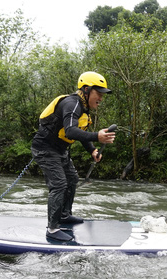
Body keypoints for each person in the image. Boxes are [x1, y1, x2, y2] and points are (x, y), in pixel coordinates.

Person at [31, 71, 116, 241]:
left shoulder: (83, 109)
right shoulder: (72, 104)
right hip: (45, 149)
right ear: (86, 89)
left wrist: (92, 149)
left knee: (72, 179)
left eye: (102, 94)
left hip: (60, 150)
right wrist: (97, 137)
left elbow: (80, 132)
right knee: (59, 184)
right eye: (98, 93)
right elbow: (70, 130)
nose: (101, 98)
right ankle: (53, 229)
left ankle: (63, 215)